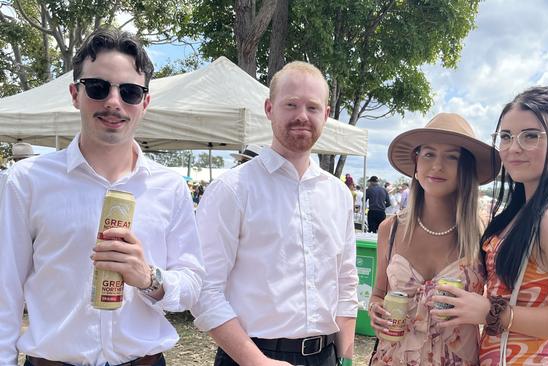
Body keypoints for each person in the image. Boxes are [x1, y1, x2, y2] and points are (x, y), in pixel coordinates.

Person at [0, 27, 205, 366]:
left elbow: (193, 283)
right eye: (97, 88)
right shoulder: (27, 181)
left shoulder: (169, 186)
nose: (113, 102)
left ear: (145, 102)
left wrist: (149, 278)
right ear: (75, 94)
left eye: (130, 92)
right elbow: (4, 291)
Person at [191, 61, 358, 366]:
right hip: (250, 356)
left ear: (327, 114)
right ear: (269, 108)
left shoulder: (338, 195)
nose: (302, 116)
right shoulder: (232, 189)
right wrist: (256, 361)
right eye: (290, 104)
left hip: (325, 357)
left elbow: (346, 283)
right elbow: (205, 290)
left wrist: (345, 359)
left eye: (312, 107)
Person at [431, 86, 548, 364]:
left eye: (530, 136)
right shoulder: (523, 212)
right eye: (506, 136)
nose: (513, 148)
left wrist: (491, 312)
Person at [368, 113, 501, 365]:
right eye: (429, 154)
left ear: (466, 170)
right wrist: (375, 311)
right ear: (416, 163)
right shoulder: (390, 229)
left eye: (452, 157)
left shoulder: (485, 234)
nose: (438, 165)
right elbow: (378, 293)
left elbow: (498, 305)